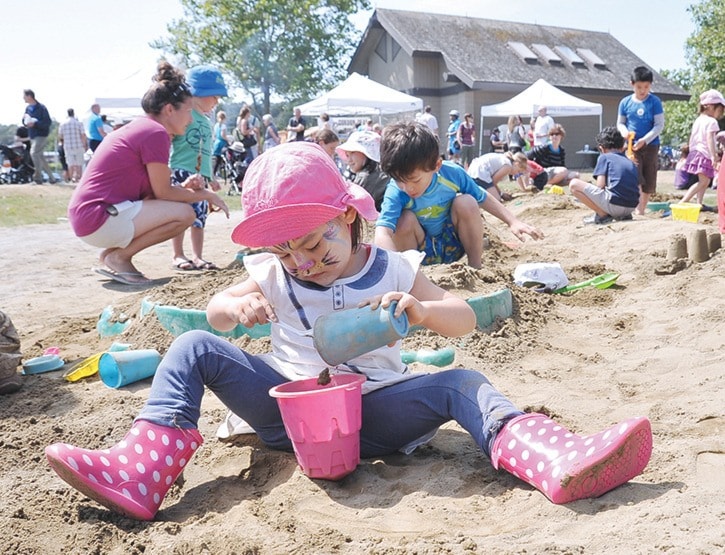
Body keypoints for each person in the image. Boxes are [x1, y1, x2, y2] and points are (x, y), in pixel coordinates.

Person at [45, 140, 653, 521]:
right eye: (287, 253)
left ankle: (549, 459)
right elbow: (214, 310)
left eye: (314, 244)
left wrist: (418, 313)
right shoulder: (271, 273)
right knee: (192, 345)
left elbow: (465, 318)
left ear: (348, 217)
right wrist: (239, 311)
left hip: (377, 418)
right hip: (288, 413)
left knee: (460, 383)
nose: (303, 262)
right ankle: (140, 470)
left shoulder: (391, 268)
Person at [66, 62, 229, 285]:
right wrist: (206, 195)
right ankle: (119, 257)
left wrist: (185, 189)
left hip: (90, 217)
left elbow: (154, 194)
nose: (191, 119)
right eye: (188, 111)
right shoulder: (155, 132)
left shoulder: (144, 128)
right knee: (185, 214)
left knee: (182, 208)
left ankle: (112, 255)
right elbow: (163, 193)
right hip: (96, 218)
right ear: (170, 110)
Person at [375, 122, 543, 269]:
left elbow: (482, 197)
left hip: (453, 243)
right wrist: (390, 270)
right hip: (419, 250)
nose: (406, 188)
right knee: (404, 220)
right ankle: (413, 277)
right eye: (398, 180)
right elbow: (382, 232)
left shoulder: (452, 174)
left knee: (467, 201)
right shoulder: (396, 191)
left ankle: (476, 266)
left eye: (414, 180)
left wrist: (512, 221)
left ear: (436, 165)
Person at [169, 65, 229, 272]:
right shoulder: (183, 114)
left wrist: (210, 176)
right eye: (213, 97)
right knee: (181, 214)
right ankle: (178, 254)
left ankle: (197, 256)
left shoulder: (205, 120)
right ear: (198, 93)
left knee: (199, 217)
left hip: (200, 177)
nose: (216, 102)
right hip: (181, 171)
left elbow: (206, 151)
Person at [617, 66, 665, 216]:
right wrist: (624, 133)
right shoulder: (625, 102)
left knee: (649, 176)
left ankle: (642, 209)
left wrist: (645, 140)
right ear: (632, 84)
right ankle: (637, 207)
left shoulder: (655, 102)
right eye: (639, 87)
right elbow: (620, 123)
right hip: (632, 146)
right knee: (635, 175)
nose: (643, 90)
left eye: (646, 87)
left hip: (651, 145)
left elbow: (659, 125)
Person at [568, 126, 640, 224]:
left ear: (601, 148)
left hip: (615, 205)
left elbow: (600, 186)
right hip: (631, 206)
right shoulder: (630, 161)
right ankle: (622, 216)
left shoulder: (604, 157)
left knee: (574, 184)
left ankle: (602, 214)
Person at [678, 89, 724, 207]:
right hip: (704, 153)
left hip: (696, 152)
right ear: (710, 106)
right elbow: (710, 139)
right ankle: (684, 201)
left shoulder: (698, 120)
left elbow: (692, 138)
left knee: (705, 181)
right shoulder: (712, 122)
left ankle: (699, 203)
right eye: (720, 109)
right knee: (703, 181)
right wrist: (713, 156)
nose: (721, 113)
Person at [336, 129, 390, 210]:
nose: (349, 160)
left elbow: (352, 209)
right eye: (347, 155)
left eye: (353, 153)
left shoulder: (367, 176)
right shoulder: (383, 170)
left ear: (366, 153)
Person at [22, 89, 56, 184]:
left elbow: (47, 122)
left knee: (33, 153)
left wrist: (35, 124)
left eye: (24, 96)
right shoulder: (28, 108)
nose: (23, 98)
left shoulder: (42, 108)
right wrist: (26, 123)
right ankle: (52, 178)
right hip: (32, 135)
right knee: (40, 156)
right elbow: (24, 119)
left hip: (41, 135)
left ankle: (37, 178)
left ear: (29, 96)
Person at [57, 108, 88, 183]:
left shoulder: (63, 124)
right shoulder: (79, 123)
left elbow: (60, 136)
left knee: (70, 164)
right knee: (79, 164)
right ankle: (79, 179)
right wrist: (85, 145)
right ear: (74, 113)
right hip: (78, 145)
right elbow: (83, 135)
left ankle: (72, 179)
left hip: (68, 146)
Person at [212, 110, 231, 178]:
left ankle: (214, 173)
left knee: (217, 160)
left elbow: (214, 135)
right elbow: (223, 135)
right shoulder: (223, 126)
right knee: (224, 159)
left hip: (216, 143)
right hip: (222, 143)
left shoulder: (216, 125)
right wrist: (228, 140)